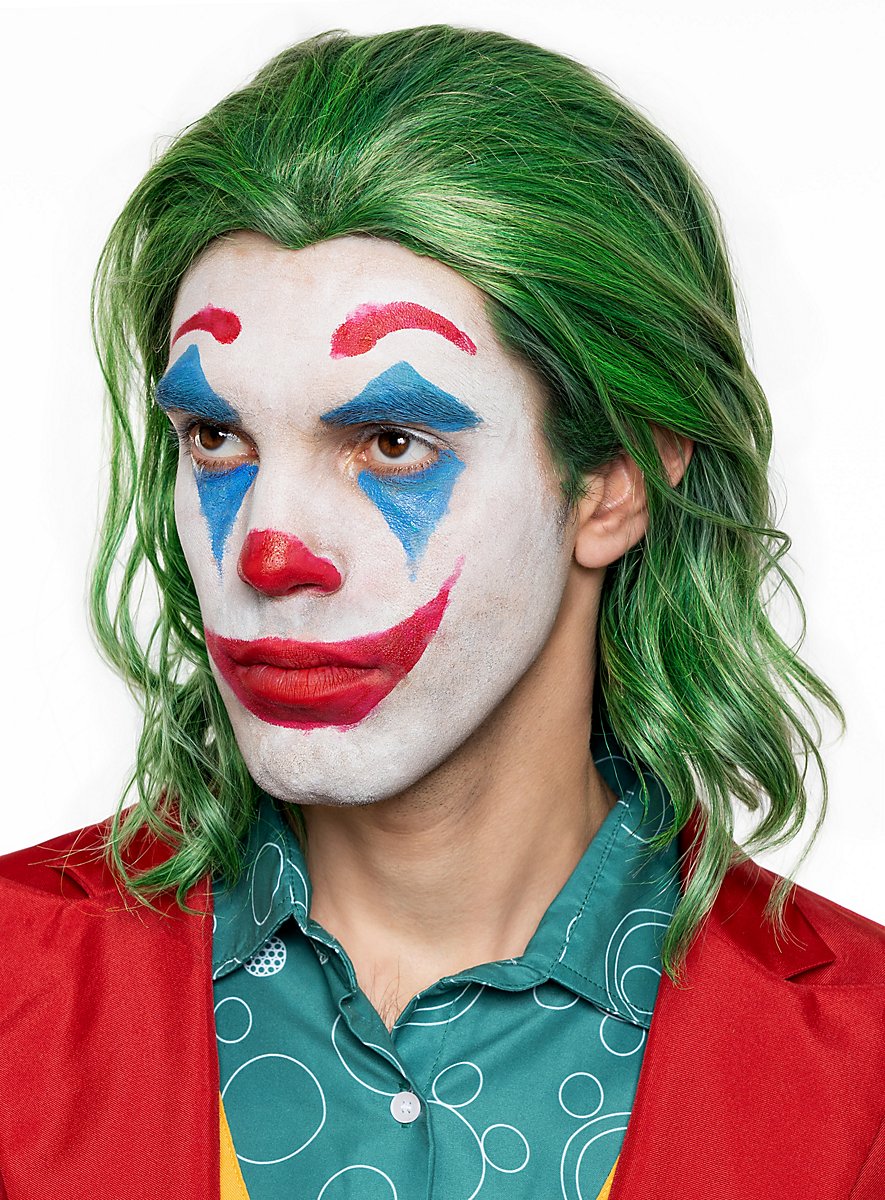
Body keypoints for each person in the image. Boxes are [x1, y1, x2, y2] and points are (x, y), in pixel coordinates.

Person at [0, 24, 882, 1200]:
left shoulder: (864, 1072)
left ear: (615, 481)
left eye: (390, 442)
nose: (267, 550)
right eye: (216, 437)